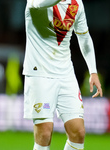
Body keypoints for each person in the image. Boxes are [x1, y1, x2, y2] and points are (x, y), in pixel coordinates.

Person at [23, 0, 103, 150]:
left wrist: (93, 71)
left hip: (66, 74)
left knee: (78, 132)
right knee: (44, 133)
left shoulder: (76, 3)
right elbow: (41, 4)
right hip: (40, 74)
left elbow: (84, 37)